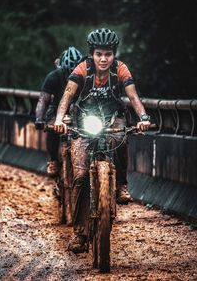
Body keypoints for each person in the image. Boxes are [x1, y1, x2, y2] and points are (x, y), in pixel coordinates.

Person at [54, 28, 151, 253]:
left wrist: (144, 117)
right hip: (84, 121)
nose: (103, 59)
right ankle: (79, 233)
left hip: (112, 118)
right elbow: (67, 96)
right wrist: (60, 119)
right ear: (92, 54)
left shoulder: (121, 69)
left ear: (114, 54)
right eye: (99, 54)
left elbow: (133, 96)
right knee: (79, 176)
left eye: (108, 54)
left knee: (122, 137)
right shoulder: (81, 69)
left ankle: (121, 185)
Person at [35, 46, 83, 176]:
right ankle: (53, 160)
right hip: (56, 109)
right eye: (69, 73)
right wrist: (39, 119)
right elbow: (43, 100)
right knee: (51, 128)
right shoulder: (53, 76)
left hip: (78, 109)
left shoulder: (86, 77)